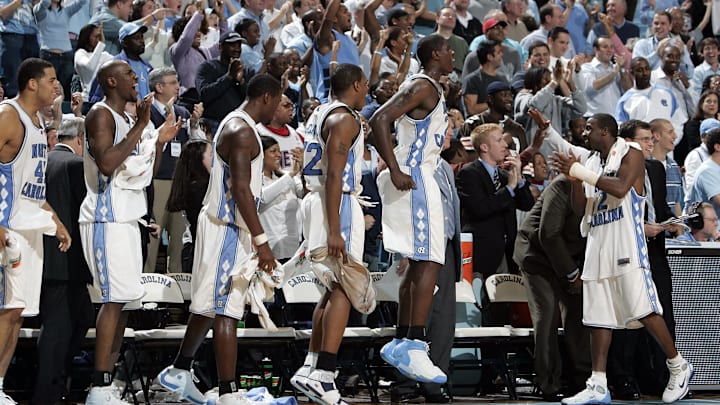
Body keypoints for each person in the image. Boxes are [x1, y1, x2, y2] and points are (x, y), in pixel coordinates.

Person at [156, 74, 282, 405]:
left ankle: (179, 369)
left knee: (210, 306)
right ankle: (229, 393)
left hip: (225, 226)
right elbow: (240, 190)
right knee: (227, 309)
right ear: (266, 98)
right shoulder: (241, 130)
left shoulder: (235, 122)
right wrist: (262, 240)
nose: (284, 110)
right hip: (226, 226)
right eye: (281, 101)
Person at [553, 113, 693, 405]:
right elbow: (580, 209)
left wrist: (580, 171)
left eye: (590, 128)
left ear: (605, 131)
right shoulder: (591, 162)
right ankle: (598, 384)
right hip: (598, 243)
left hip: (627, 244)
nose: (585, 132)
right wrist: (575, 179)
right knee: (598, 318)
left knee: (644, 310)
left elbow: (619, 188)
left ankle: (678, 365)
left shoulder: (631, 152)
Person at [81, 59, 179, 404]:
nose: (136, 78)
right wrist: (143, 127)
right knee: (112, 301)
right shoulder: (101, 114)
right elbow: (108, 163)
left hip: (127, 216)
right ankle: (99, 385)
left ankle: (107, 385)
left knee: (122, 302)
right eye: (128, 74)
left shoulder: (125, 119)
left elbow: (143, 171)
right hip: (105, 217)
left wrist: (160, 140)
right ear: (110, 80)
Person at [369, 34, 454, 384]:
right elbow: (378, 119)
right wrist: (394, 167)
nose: (452, 54)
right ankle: (415, 343)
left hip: (416, 173)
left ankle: (404, 338)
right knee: (431, 260)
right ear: (436, 54)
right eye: (448, 49)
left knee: (419, 262)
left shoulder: (427, 86)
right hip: (415, 175)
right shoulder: (423, 85)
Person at [288, 64, 373, 405]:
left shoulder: (320, 113)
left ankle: (310, 367)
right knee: (344, 286)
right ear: (355, 84)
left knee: (329, 288)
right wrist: (336, 227)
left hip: (315, 200)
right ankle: (325, 374)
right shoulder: (345, 118)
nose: (367, 90)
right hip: (333, 203)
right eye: (365, 84)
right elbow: (336, 175)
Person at [0, 58, 71, 405]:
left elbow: (34, 187)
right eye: (52, 80)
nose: (57, 86)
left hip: (31, 227)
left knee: (15, 313)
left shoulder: (39, 124)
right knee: (2, 311)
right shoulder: (8, 115)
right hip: (7, 227)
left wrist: (55, 221)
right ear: (32, 83)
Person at [513, 171, 591, 401]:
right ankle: (549, 382)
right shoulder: (563, 186)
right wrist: (572, 274)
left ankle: (581, 380)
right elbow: (548, 235)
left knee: (580, 312)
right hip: (536, 256)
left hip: (568, 257)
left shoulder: (606, 191)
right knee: (546, 314)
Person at [34, 117, 94, 405]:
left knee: (81, 318)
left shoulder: (42, 162)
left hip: (43, 258)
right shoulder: (77, 165)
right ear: (81, 139)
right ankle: (48, 394)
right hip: (67, 260)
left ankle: (60, 384)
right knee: (58, 332)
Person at [258, 135, 303, 261]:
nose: (278, 155)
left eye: (279, 151)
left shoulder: (287, 177)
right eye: (273, 151)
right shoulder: (254, 180)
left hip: (293, 249)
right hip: (268, 251)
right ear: (261, 155)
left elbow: (305, 193)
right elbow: (262, 199)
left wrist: (303, 168)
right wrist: (292, 174)